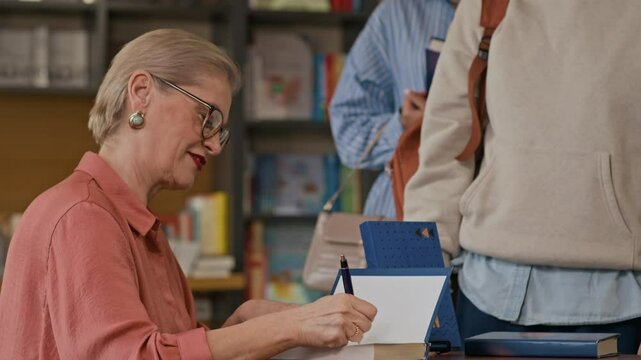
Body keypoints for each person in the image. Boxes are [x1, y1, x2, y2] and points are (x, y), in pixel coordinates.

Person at [0, 29, 377, 359]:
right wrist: (289, 327)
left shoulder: (132, 224)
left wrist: (240, 326)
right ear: (141, 92)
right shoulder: (83, 216)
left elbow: (163, 350)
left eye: (221, 130)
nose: (215, 146)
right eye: (207, 117)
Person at [403, 0, 641, 354]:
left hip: (619, 295)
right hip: (488, 290)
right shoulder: (487, 4)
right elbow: (446, 144)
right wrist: (413, 293)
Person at [329, 0, 456, 219]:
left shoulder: (525, 13)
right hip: (404, 214)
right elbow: (348, 129)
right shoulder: (398, 12)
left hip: (498, 220)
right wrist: (404, 127)